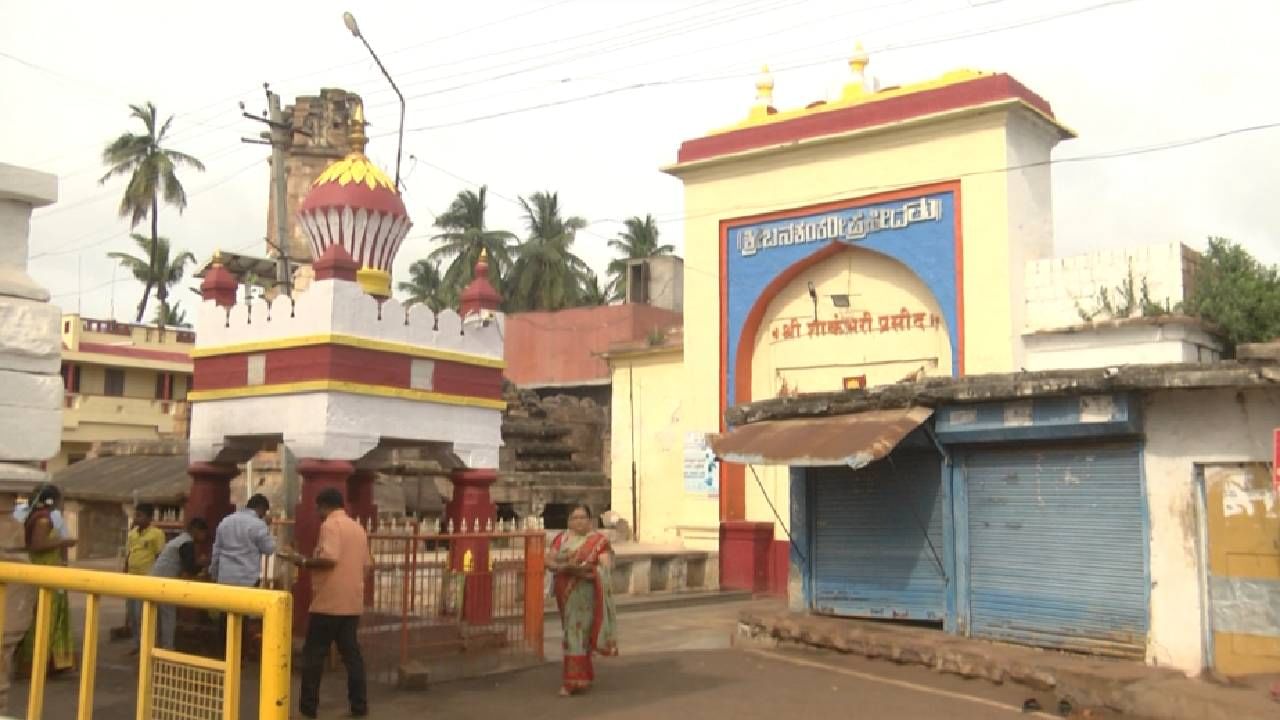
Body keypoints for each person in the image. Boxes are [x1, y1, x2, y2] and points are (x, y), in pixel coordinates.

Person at [282, 488, 370, 719]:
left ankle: (308, 709)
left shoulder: (330, 526)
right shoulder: (358, 528)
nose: (317, 513)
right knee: (352, 656)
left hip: (328, 602)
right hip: (351, 602)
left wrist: (300, 560)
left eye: (318, 508)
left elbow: (329, 558)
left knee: (314, 656)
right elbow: (367, 565)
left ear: (324, 506)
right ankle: (359, 705)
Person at [546, 503, 618, 696]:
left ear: (590, 520)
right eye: (574, 517)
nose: (578, 521)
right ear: (569, 521)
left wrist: (590, 572)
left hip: (586, 593)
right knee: (575, 634)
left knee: (575, 634)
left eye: (582, 517)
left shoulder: (598, 541)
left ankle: (572, 682)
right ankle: (584, 675)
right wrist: (562, 567)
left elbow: (606, 567)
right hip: (565, 592)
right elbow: (549, 560)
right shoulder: (561, 539)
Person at [14, 484, 77, 678]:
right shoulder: (43, 519)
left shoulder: (37, 516)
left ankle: (49, 663)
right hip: (46, 573)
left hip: (49, 571)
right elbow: (38, 544)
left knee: (49, 617)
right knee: (46, 619)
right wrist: (64, 542)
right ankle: (38, 664)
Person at [148, 517, 210, 650]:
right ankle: (167, 648)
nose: (204, 537)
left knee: (157, 617)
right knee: (168, 616)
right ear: (195, 530)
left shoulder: (179, 540)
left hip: (156, 579)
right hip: (165, 582)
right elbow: (190, 568)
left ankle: (155, 647)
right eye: (203, 533)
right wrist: (202, 563)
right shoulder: (187, 543)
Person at [123, 503, 165, 654]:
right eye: (136, 515)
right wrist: (125, 572)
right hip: (132, 578)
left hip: (147, 578)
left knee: (144, 613)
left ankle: (149, 644)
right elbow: (128, 554)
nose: (137, 518)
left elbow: (160, 555)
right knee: (132, 614)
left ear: (149, 517)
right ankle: (137, 643)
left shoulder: (157, 534)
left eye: (140, 515)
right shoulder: (132, 533)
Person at [210, 494, 275, 588]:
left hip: (224, 578)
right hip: (247, 579)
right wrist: (267, 526)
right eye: (264, 512)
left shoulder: (225, 521)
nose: (264, 515)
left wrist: (214, 574)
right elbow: (269, 549)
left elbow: (216, 552)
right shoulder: (259, 524)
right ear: (261, 508)